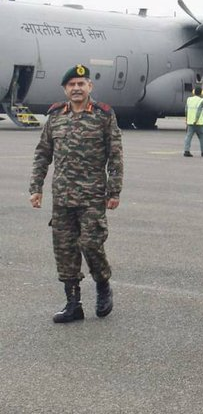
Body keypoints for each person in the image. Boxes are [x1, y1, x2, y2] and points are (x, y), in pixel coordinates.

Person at [29, 64, 123, 323]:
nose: (77, 88)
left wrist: (114, 190)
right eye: (72, 84)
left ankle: (103, 284)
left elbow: (115, 155)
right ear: (65, 89)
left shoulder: (103, 115)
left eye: (81, 83)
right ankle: (73, 304)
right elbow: (42, 154)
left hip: (92, 195)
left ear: (90, 87)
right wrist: (36, 188)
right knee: (64, 249)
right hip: (62, 196)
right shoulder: (56, 116)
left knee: (91, 244)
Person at [184, 86, 203, 157]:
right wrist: (196, 120)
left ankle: (186, 151)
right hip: (199, 123)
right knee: (202, 137)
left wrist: (186, 119)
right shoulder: (202, 101)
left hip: (190, 122)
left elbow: (186, 110)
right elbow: (200, 111)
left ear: (193, 92)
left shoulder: (189, 99)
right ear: (201, 93)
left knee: (188, 136)